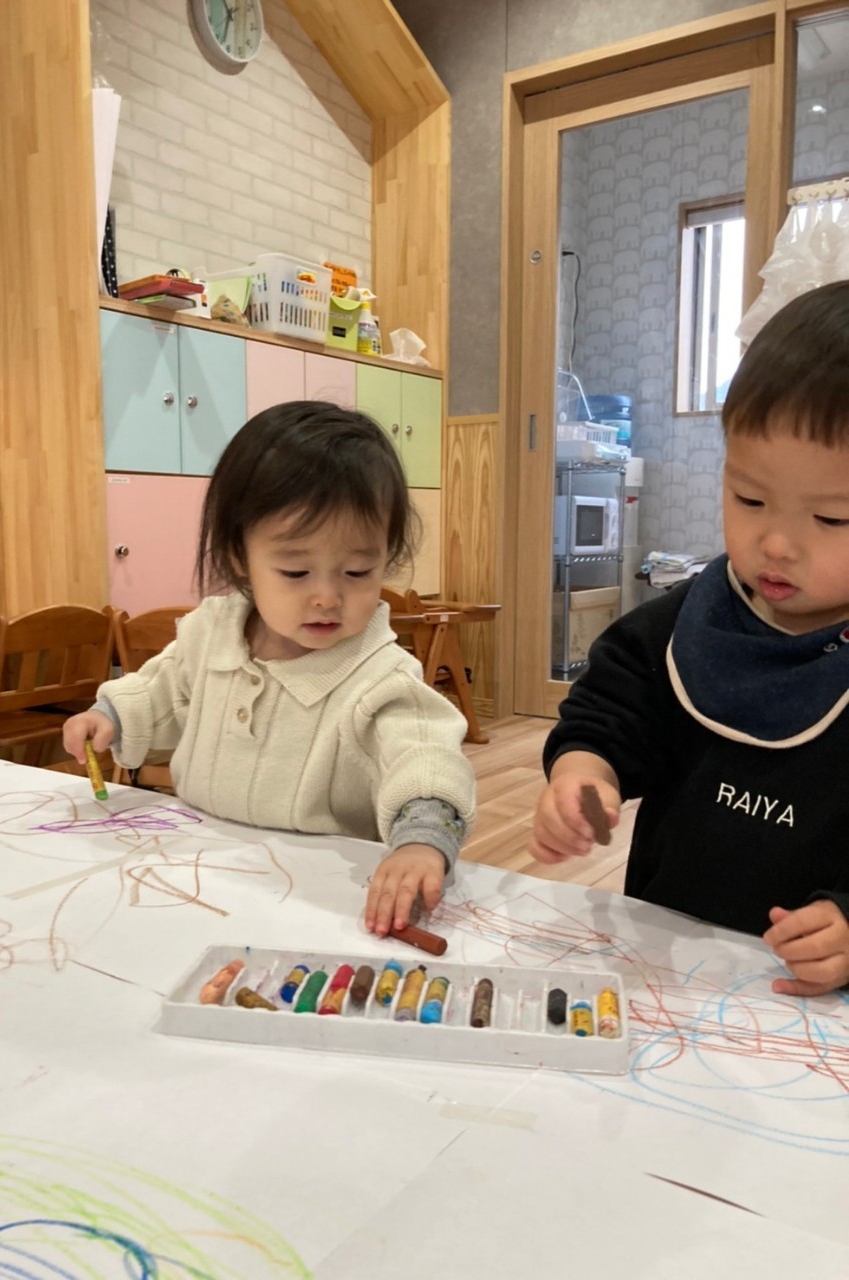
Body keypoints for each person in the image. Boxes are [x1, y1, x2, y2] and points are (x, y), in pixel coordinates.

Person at [530, 281, 849, 997]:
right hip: (665, 960)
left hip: (807, 998)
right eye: (749, 499)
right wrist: (585, 773)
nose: (776, 543)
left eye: (832, 519)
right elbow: (607, 712)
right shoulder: (691, 620)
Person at [64, 401, 475, 936]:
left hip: (315, 900)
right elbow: (162, 691)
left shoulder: (380, 674)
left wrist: (421, 839)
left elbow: (426, 758)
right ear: (240, 557)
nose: (327, 597)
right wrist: (110, 716)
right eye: (295, 572)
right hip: (199, 871)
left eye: (357, 571)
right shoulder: (211, 633)